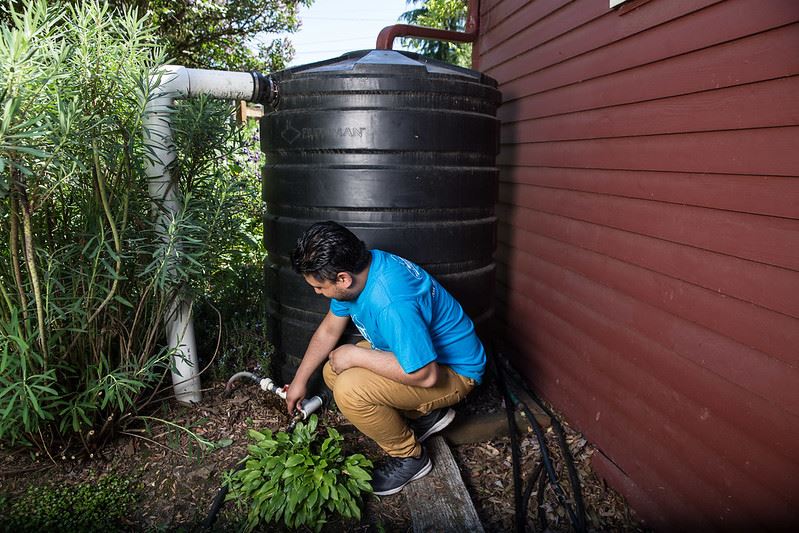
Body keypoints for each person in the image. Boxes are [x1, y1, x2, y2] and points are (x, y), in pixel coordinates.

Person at [285, 220, 487, 496]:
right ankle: (425, 416)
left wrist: (356, 355)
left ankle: (411, 458)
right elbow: (329, 329)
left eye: (319, 287)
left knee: (349, 389)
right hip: (420, 356)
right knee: (333, 370)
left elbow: (427, 374)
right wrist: (299, 381)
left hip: (453, 371)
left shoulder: (390, 301)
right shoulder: (362, 269)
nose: (317, 293)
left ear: (342, 279)